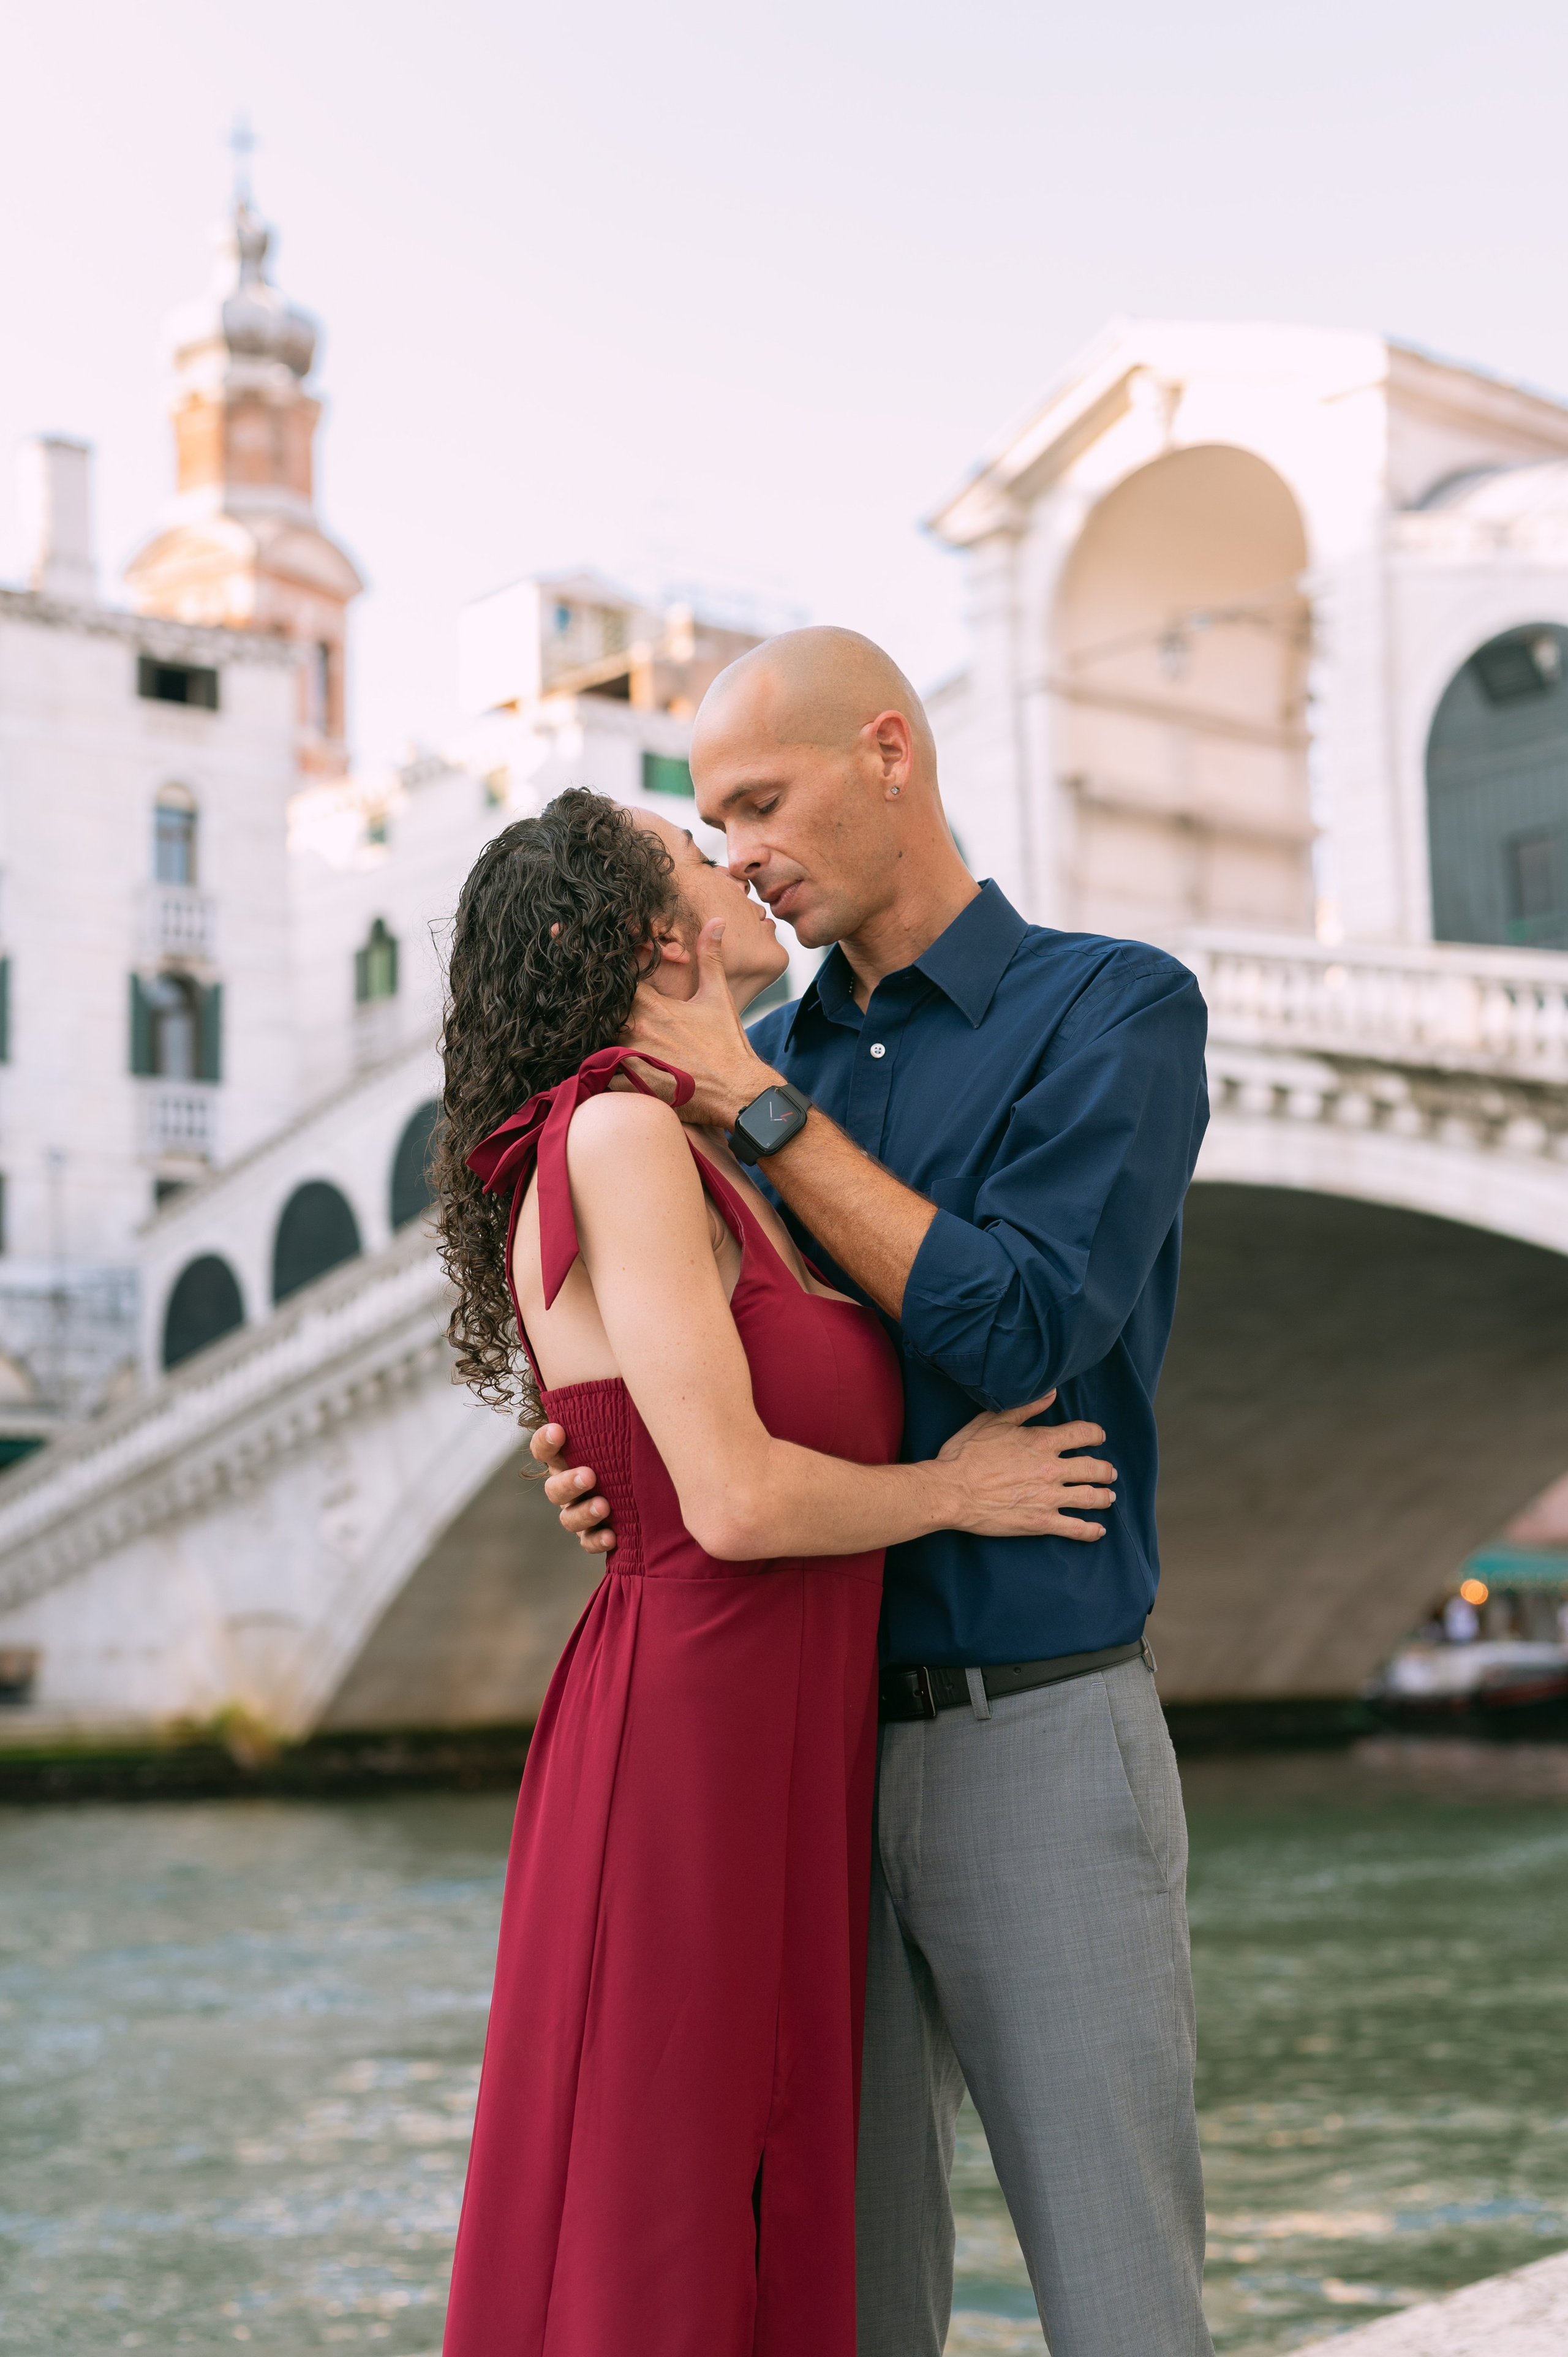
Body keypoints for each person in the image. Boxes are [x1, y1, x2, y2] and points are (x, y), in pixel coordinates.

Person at [537, 631, 1215, 2357]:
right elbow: (721, 1386)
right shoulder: (753, 1073)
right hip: (795, 1758)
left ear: (891, 756)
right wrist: (600, 1450)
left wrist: (756, 1103)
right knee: (844, 2307)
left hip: (1038, 1737)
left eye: (764, 800)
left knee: (1120, 2299)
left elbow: (1019, 1329)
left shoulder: (1113, 1007)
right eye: (715, 821)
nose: (741, 851)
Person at [434, 787, 1121, 2357]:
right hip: (691, 1740)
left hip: (769, 1726)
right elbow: (731, 1501)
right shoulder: (615, 1130)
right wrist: (952, 1489)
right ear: (642, 934)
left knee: (759, 2185)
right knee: (672, 2207)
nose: (732, 860)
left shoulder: (723, 1131)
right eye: (695, 848)